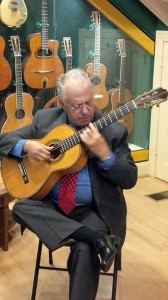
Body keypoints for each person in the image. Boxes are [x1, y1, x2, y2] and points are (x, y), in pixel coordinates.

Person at [0, 68, 137, 300]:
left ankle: (91, 240)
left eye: (89, 103)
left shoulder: (113, 131)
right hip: (51, 206)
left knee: (84, 250)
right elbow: (4, 140)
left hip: (92, 211)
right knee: (21, 207)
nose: (85, 111)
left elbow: (130, 178)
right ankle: (98, 240)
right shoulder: (46, 121)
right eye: (76, 106)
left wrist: (104, 154)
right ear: (62, 103)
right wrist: (26, 146)